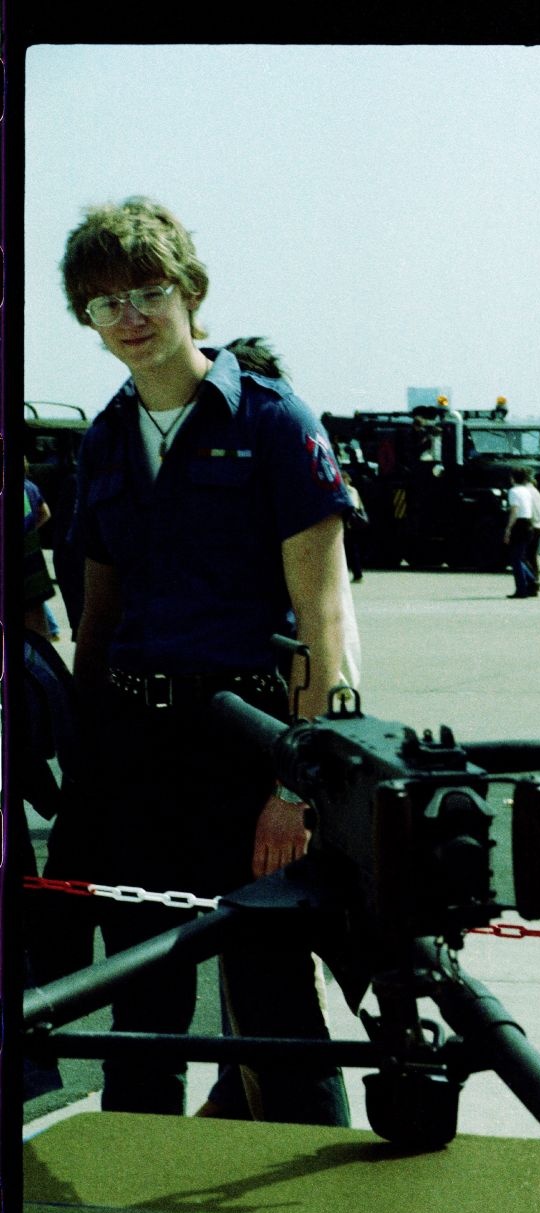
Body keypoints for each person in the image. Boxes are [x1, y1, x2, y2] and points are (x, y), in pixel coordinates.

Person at [47, 196, 360, 1122]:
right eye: (105, 304)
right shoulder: (104, 438)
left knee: (270, 994)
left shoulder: (273, 422)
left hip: (249, 744)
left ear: (191, 292)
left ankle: (315, 1203)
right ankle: (125, 1210)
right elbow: (97, 616)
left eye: (147, 291)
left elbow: (324, 616)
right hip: (135, 751)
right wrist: (85, 762)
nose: (130, 317)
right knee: (143, 999)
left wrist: (298, 783)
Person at [504, 465, 540, 597]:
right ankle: (532, 581)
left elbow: (514, 511)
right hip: (528, 523)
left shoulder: (513, 491)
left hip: (519, 524)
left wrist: (508, 529)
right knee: (519, 557)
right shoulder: (526, 490)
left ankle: (522, 589)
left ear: (513, 478)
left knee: (515, 559)